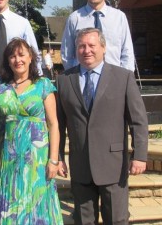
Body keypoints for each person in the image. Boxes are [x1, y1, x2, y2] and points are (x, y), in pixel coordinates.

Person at [56, 28, 148, 225]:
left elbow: (138, 120)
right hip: (80, 164)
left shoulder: (123, 77)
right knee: (83, 220)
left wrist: (139, 156)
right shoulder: (63, 80)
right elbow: (58, 124)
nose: (86, 50)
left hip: (113, 164)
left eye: (92, 45)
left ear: (103, 48)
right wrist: (58, 158)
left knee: (116, 219)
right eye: (81, 46)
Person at [0, 38, 63, 224]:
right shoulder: (0, 87)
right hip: (7, 159)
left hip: (36, 160)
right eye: (12, 56)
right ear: (8, 61)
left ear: (31, 57)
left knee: (36, 205)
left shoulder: (43, 85)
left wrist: (54, 160)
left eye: (21, 55)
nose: (17, 60)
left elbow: (53, 124)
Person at [60, 0, 135, 72]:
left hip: (113, 77)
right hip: (83, 78)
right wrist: (74, 78)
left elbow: (127, 51)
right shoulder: (74, 18)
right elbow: (66, 54)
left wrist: (124, 78)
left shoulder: (119, 17)